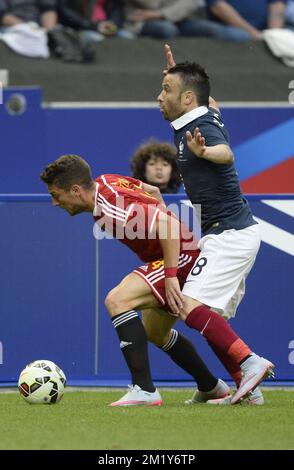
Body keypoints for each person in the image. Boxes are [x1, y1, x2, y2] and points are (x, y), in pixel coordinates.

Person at [41, 155, 273, 406]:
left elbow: (166, 225)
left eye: (56, 194)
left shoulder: (110, 203)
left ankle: (144, 390)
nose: (54, 202)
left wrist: (170, 273)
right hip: (175, 255)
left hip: (178, 257)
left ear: (75, 190)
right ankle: (210, 387)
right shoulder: (107, 181)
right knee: (155, 332)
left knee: (117, 300)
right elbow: (151, 190)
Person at [157, 44, 275, 405]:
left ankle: (250, 362)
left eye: (167, 91)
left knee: (189, 306)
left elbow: (226, 152)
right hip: (228, 233)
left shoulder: (202, 126)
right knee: (208, 315)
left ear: (188, 98)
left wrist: (205, 153)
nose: (159, 97)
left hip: (231, 234)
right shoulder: (199, 114)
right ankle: (246, 387)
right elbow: (212, 105)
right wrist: (180, 75)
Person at [206, 0, 286, 41]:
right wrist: (254, 34)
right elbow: (218, 7)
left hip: (265, 31)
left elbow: (277, 4)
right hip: (227, 27)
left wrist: (273, 34)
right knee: (237, 35)